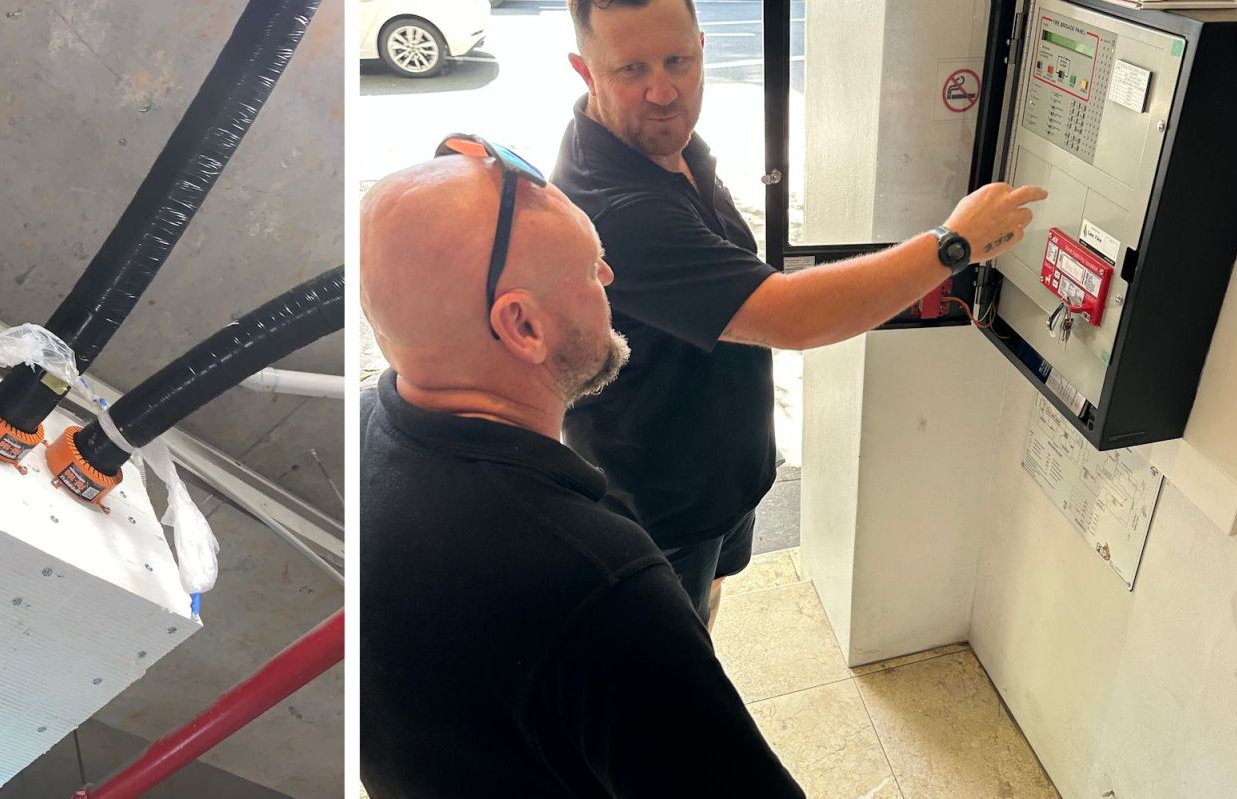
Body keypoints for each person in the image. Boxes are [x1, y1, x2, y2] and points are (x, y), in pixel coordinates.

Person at [552, 0, 1047, 625]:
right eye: (631, 69)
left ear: (702, 47)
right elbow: (792, 316)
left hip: (721, 473)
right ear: (585, 71)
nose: (663, 91)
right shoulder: (615, 205)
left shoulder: (665, 145)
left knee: (709, 598)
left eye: (676, 60)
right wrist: (954, 244)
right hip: (660, 503)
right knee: (669, 664)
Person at [358, 149, 802, 796]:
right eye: (590, 270)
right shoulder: (601, 587)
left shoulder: (364, 428)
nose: (610, 276)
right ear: (523, 325)